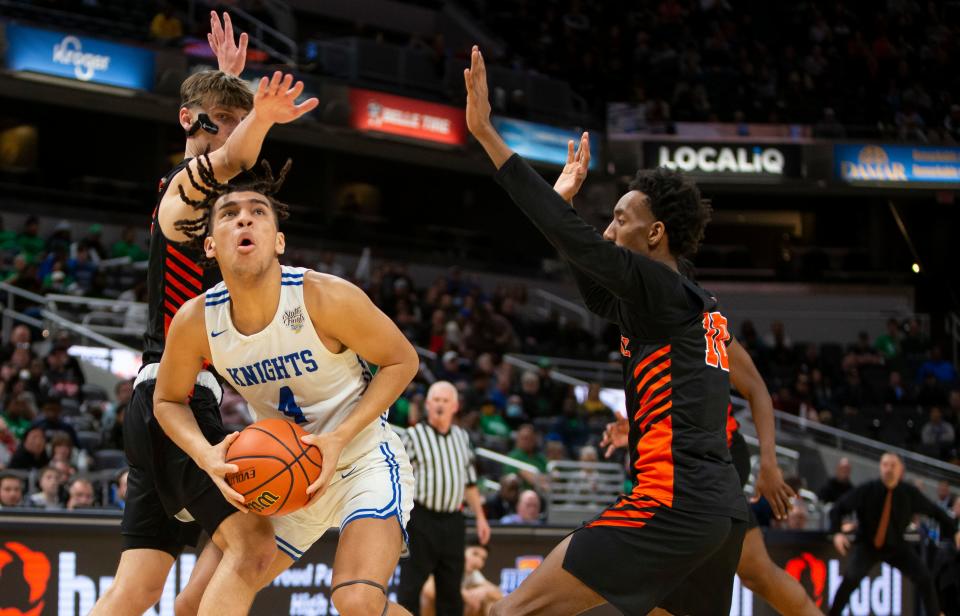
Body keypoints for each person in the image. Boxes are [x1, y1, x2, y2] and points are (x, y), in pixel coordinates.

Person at [465, 45, 749, 615]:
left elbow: (578, 243)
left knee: (509, 611)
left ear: (655, 234)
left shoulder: (660, 287)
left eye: (622, 218)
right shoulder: (680, 297)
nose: (609, 228)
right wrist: (561, 199)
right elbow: (593, 282)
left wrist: (487, 136)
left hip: (671, 505)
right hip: (716, 511)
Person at [91, 13, 316, 616]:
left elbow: (223, 145)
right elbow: (223, 153)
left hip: (161, 401)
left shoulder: (214, 199)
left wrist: (232, 88)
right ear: (190, 122)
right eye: (230, 126)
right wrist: (258, 116)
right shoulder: (186, 193)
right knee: (255, 547)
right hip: (176, 398)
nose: (242, 142)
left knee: (135, 591)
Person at [153, 154, 418, 616]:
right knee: (190, 606)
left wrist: (338, 436)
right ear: (211, 245)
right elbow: (167, 400)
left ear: (278, 240)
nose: (244, 220)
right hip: (280, 471)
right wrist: (205, 453)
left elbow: (402, 361)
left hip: (360, 461)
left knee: (357, 600)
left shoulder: (324, 297)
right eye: (229, 215)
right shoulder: (196, 321)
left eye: (257, 211)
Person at [398, 381, 491, 615]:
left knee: (451, 589)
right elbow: (399, 478)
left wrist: (480, 517)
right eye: (436, 400)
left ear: (455, 406)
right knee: (410, 586)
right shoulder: (413, 435)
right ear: (428, 404)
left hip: (453, 520)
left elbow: (470, 483)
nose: (440, 405)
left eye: (445, 400)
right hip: (420, 518)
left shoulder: (462, 437)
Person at [829, 452, 960, 616]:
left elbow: (935, 512)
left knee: (924, 578)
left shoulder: (908, 493)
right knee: (850, 580)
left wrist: (955, 532)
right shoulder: (867, 489)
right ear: (880, 467)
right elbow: (838, 508)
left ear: (901, 470)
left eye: (893, 465)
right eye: (885, 464)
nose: (888, 469)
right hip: (868, 545)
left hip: (896, 546)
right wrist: (836, 533)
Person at [421, 542, 503, 616]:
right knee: (427, 598)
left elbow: (498, 594)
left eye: (483, 559)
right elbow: (428, 588)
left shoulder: (473, 574)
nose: (478, 561)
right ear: (461, 552)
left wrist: (484, 591)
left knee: (489, 601)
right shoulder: (446, 564)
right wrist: (465, 594)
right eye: (475, 554)